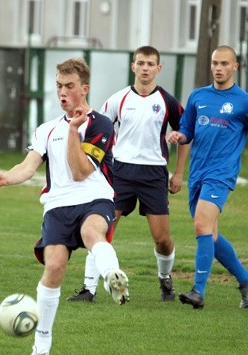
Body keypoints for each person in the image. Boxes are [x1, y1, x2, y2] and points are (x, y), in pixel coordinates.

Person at [0, 58, 129, 355]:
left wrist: (74, 131)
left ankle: (112, 276)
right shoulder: (46, 129)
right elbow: (28, 166)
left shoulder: (100, 125)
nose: (63, 92)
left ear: (85, 88)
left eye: (69, 86)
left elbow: (81, 171)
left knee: (91, 233)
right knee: (54, 267)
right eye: (59, 86)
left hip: (94, 197)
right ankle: (40, 348)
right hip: (57, 206)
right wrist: (4, 177)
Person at [67, 45, 189, 303]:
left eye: (150, 64)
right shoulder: (118, 99)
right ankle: (89, 289)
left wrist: (178, 174)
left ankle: (165, 279)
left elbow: (186, 135)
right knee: (101, 231)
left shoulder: (167, 101)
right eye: (140, 63)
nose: (145, 68)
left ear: (159, 68)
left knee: (162, 239)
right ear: (133, 66)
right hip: (120, 172)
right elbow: (97, 128)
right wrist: (95, 163)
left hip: (154, 175)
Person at [167, 45, 248, 310]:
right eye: (215, 63)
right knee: (210, 234)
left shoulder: (245, 101)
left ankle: (198, 292)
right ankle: (245, 279)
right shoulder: (198, 96)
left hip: (222, 175)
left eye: (224, 63)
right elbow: (187, 130)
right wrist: (180, 136)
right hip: (198, 173)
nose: (218, 68)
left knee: (201, 225)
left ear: (235, 66)